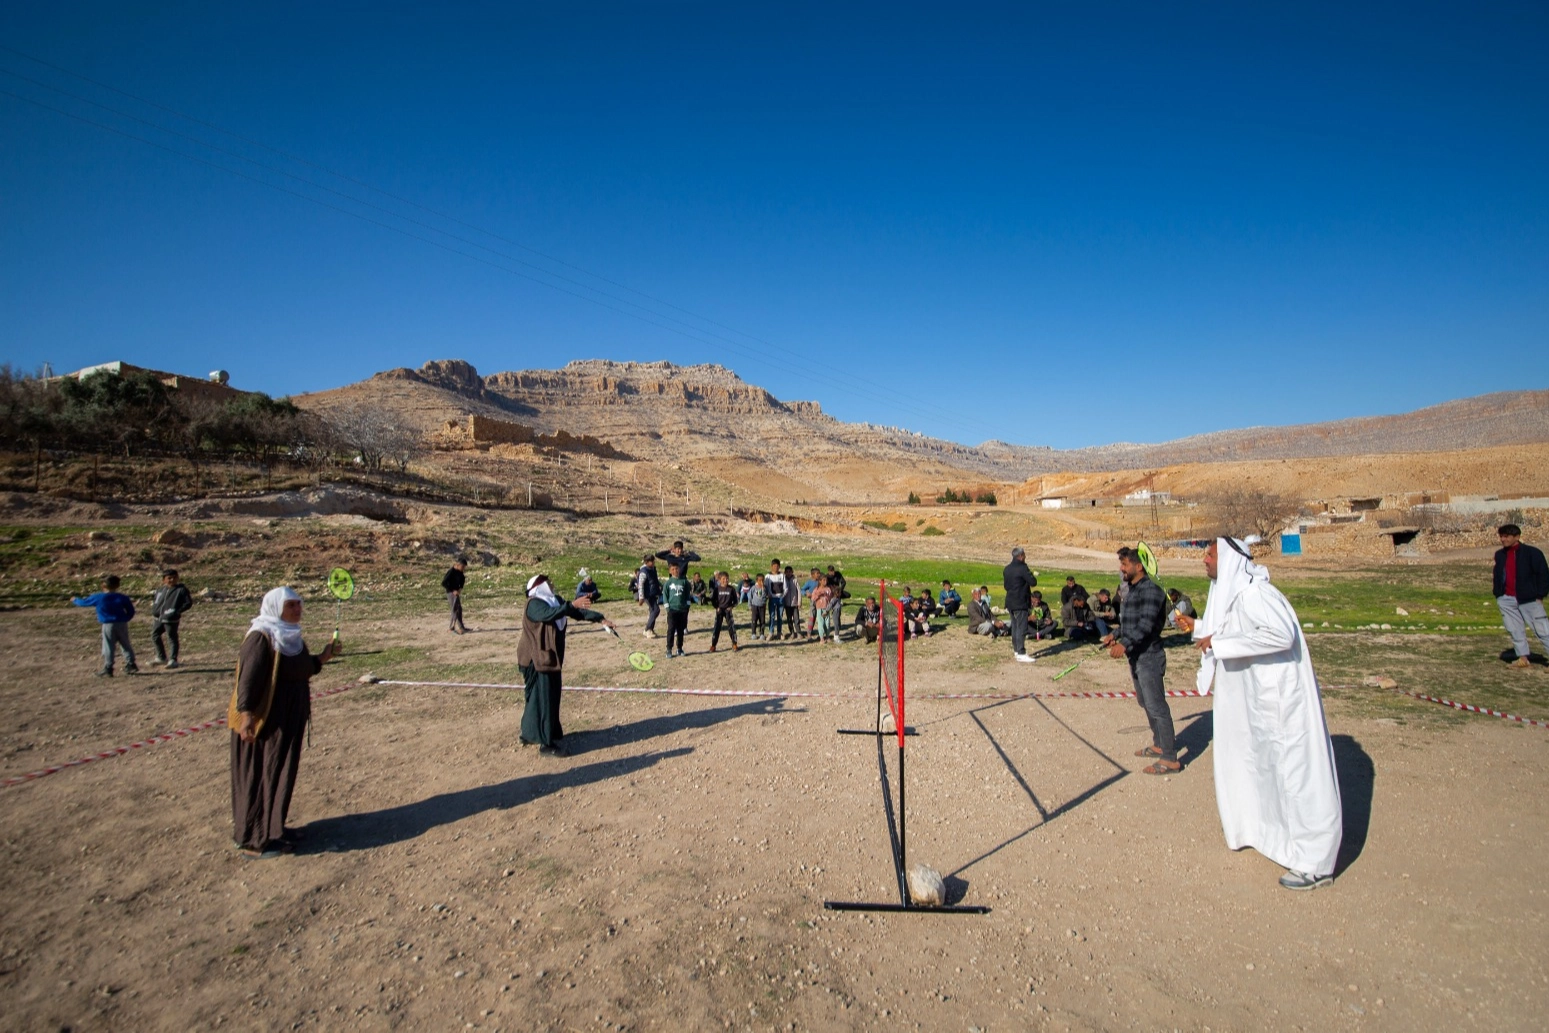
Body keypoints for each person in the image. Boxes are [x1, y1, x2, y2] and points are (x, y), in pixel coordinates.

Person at [1183, 537, 1342, 891]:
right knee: (1264, 771)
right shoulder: (1239, 597)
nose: (1204, 560)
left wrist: (1219, 644)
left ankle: (1315, 862)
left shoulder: (1257, 595)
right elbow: (1234, 632)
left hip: (1280, 703)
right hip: (1259, 704)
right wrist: (1201, 631)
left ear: (1229, 559)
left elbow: (1280, 635)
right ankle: (1271, 838)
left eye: (1210, 554)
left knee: (1295, 776)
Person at [230, 587, 340, 856]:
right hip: (265, 723)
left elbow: (301, 669)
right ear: (275, 607)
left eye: (299, 605)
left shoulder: (291, 638)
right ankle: (254, 840)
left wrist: (324, 656)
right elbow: (248, 680)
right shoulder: (261, 637)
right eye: (291, 606)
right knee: (261, 775)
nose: (297, 610)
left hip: (287, 721)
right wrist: (246, 717)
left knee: (279, 773)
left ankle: (274, 828)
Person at [517, 575, 612, 755]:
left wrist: (600, 619)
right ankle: (546, 743)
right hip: (535, 659)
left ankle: (531, 733)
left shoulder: (555, 601)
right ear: (539, 586)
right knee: (543, 698)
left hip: (549, 658)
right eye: (548, 583)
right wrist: (571, 605)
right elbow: (548, 614)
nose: (552, 585)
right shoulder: (534, 603)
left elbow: (576, 612)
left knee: (544, 697)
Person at [1104, 546, 1175, 773]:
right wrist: (1114, 635)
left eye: (1125, 564)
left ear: (1138, 566)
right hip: (1136, 657)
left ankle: (1170, 758)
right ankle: (1158, 744)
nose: (1121, 569)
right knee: (1145, 702)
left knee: (1157, 706)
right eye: (1121, 564)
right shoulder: (1131, 590)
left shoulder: (1152, 591)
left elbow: (1145, 626)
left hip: (1149, 656)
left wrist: (1124, 644)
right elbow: (1129, 624)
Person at [1492, 523, 1549, 668]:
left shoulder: (1532, 553)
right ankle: (1523, 658)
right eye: (1501, 536)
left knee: (1542, 630)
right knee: (1514, 629)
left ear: (1516, 537)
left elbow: (1543, 574)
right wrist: (1499, 594)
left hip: (1529, 599)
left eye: (1507, 536)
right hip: (1507, 598)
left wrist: (1540, 595)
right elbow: (1498, 574)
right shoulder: (1500, 555)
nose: (1503, 539)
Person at [72, 575, 138, 676]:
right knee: (125, 643)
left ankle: (108, 667)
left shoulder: (98, 597)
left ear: (103, 585)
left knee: (108, 646)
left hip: (108, 624)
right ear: (118, 585)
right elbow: (131, 611)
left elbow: (84, 603)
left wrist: (75, 599)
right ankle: (131, 664)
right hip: (122, 623)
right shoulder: (122, 597)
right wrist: (126, 618)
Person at [150, 569, 193, 668]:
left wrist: (176, 611)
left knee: (171, 638)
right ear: (164, 580)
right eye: (169, 578)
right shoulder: (160, 590)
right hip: (158, 618)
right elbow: (156, 601)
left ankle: (173, 659)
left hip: (171, 619)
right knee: (155, 635)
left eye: (174, 577)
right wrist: (155, 610)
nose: (172, 580)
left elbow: (188, 603)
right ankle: (161, 657)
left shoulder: (181, 590)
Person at [1002, 547, 1038, 663]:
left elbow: (1006, 586)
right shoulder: (1022, 568)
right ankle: (1021, 652)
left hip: (1010, 601)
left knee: (1015, 627)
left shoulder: (1007, 569)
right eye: (1024, 555)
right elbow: (1033, 582)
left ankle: (1016, 650)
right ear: (1021, 556)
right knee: (1021, 627)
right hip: (1020, 601)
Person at [662, 561, 693, 657]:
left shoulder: (684, 582)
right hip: (672, 609)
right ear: (670, 571)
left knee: (681, 630)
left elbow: (688, 594)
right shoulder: (668, 583)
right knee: (671, 629)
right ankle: (669, 649)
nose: (675, 571)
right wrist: (667, 607)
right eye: (673, 569)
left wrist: (687, 606)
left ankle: (679, 648)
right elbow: (665, 595)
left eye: (677, 569)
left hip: (682, 609)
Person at [709, 572, 741, 652]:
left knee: (732, 628)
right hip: (720, 611)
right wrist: (716, 607)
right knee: (717, 628)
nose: (725, 580)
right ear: (719, 580)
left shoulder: (731, 589)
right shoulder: (717, 589)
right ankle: (713, 645)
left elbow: (736, 601)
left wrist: (731, 607)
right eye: (723, 579)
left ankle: (734, 644)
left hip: (728, 611)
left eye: (727, 579)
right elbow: (713, 600)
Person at [636, 554, 662, 639]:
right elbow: (641, 585)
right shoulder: (643, 571)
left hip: (653, 593)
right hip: (647, 594)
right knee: (656, 610)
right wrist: (641, 597)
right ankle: (647, 629)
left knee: (652, 611)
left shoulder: (653, 569)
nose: (654, 562)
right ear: (646, 562)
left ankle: (650, 629)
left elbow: (654, 580)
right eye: (652, 561)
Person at [442, 558, 470, 634]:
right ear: (458, 565)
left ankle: (461, 627)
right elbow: (444, 583)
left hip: (456, 592)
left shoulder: (460, 572)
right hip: (450, 593)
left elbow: (462, 580)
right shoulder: (451, 572)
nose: (463, 569)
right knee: (454, 609)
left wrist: (460, 588)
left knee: (459, 609)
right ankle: (451, 628)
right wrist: (453, 590)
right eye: (463, 567)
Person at [765, 560, 786, 640]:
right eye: (774, 566)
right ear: (771, 566)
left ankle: (779, 632)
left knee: (780, 616)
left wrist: (783, 596)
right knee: (772, 616)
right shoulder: (768, 576)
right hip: (772, 598)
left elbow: (785, 587)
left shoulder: (782, 575)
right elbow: (766, 587)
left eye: (777, 566)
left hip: (780, 598)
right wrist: (769, 594)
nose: (776, 567)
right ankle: (771, 632)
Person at [782, 565, 802, 640]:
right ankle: (792, 633)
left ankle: (799, 632)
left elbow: (799, 591)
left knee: (796, 619)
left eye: (790, 572)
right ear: (785, 572)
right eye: (787, 572)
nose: (788, 573)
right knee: (789, 619)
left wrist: (799, 602)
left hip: (795, 603)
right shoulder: (784, 580)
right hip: (787, 604)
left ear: (792, 572)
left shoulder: (795, 580)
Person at [747, 575, 768, 641]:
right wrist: (750, 605)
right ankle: (753, 633)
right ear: (756, 581)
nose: (761, 582)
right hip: (755, 606)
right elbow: (750, 597)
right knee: (754, 620)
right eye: (759, 580)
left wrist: (763, 588)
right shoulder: (753, 588)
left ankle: (762, 633)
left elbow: (766, 596)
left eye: (762, 580)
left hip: (762, 606)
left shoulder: (765, 588)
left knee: (762, 620)